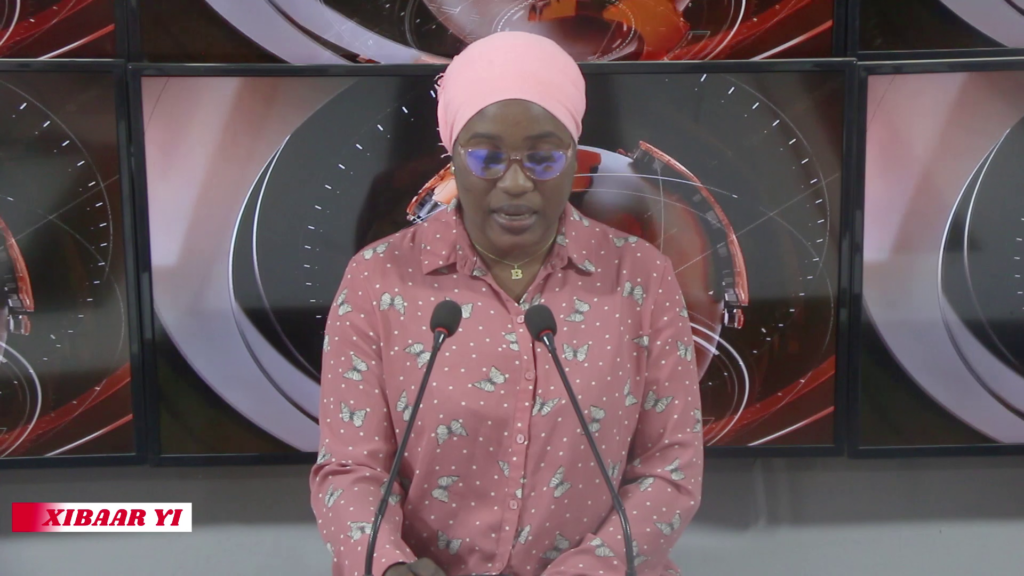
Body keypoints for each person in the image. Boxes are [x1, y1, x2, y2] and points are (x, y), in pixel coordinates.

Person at [311, 31, 703, 576]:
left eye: (542, 157)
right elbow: (350, 469)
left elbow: (670, 468)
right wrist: (390, 567)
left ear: (574, 155)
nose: (516, 183)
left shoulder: (641, 276)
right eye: (487, 157)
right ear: (453, 157)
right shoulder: (378, 279)